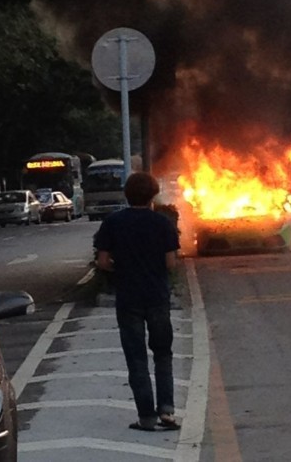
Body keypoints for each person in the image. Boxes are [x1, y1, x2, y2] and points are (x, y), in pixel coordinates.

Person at [95, 171, 181, 431]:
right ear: (153, 194)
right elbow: (170, 263)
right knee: (163, 354)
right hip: (157, 296)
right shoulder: (163, 223)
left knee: (136, 358)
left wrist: (120, 269)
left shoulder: (113, 222)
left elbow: (102, 261)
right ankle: (167, 411)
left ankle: (146, 417)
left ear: (127, 194)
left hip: (129, 298)